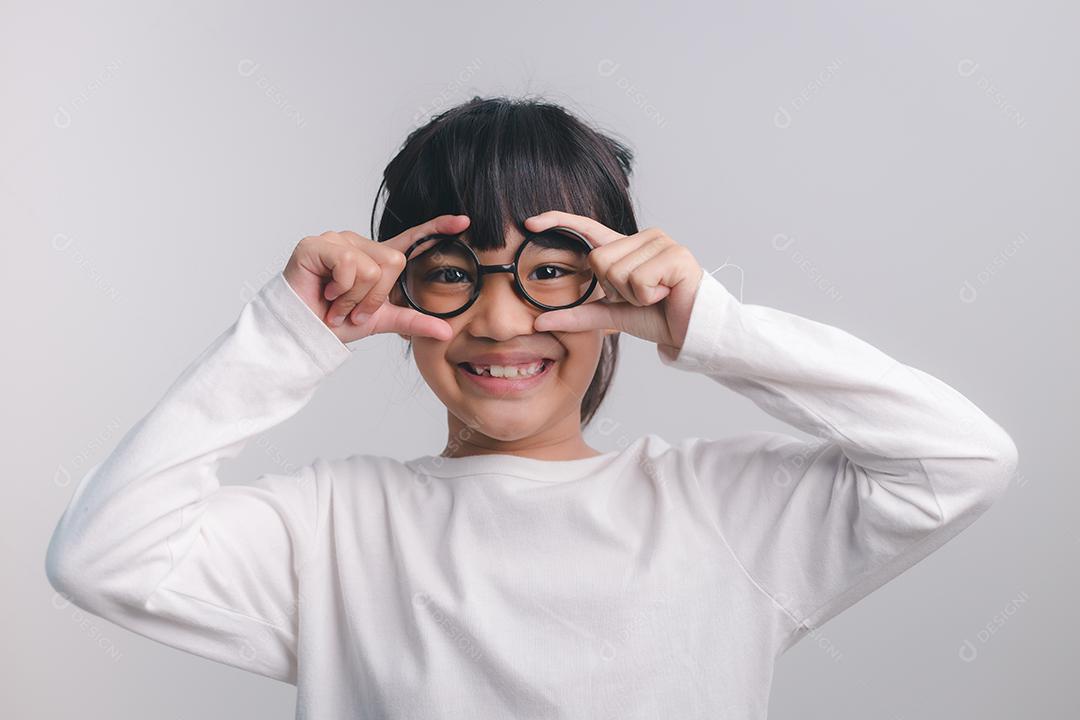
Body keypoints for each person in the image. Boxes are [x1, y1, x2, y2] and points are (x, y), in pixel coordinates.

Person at [44, 96, 1018, 719]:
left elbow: (960, 460)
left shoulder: (723, 512)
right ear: (398, 289)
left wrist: (709, 327)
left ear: (622, 287)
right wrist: (289, 332)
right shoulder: (333, 528)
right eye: (453, 274)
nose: (503, 320)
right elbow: (103, 556)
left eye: (552, 272)